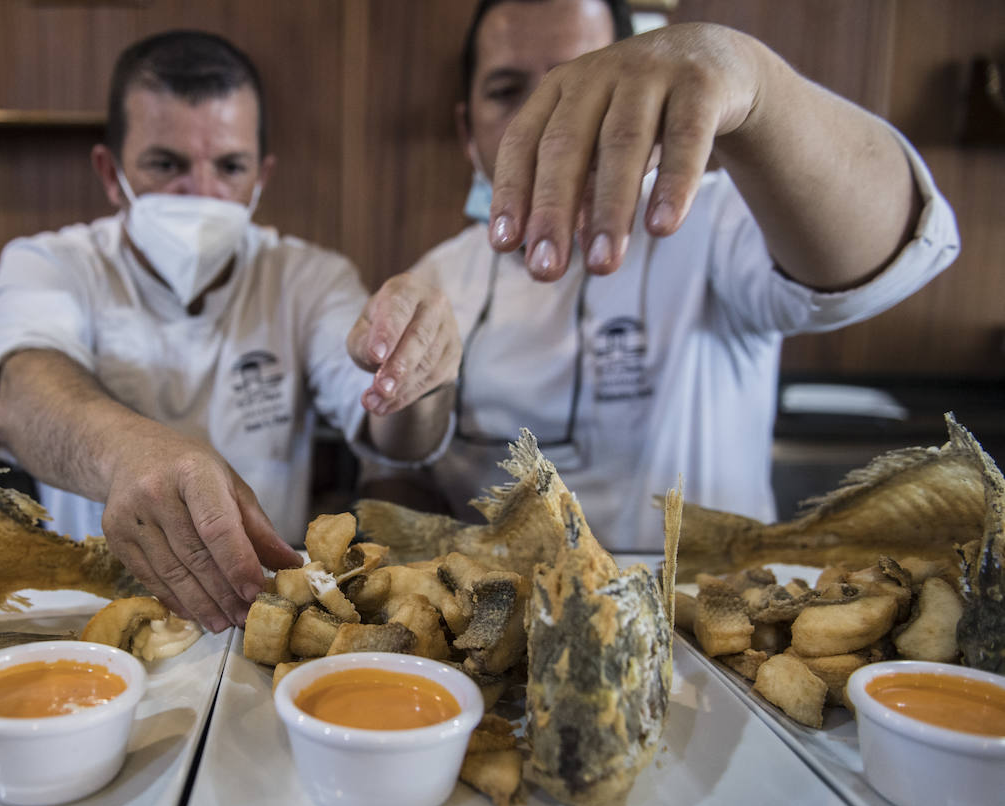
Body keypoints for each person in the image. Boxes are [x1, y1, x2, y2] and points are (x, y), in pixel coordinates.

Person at [377, 0, 959, 552]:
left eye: (577, 86)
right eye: (506, 93)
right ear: (465, 130)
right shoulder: (439, 276)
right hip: (501, 632)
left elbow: (890, 253)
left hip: (702, 631)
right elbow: (399, 469)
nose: (545, 121)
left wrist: (756, 87)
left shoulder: (709, 218)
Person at [0, 30, 460, 631]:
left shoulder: (306, 277)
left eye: (229, 167)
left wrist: (418, 374)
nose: (201, 193)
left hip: (265, 617)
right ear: (111, 173)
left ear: (261, 177)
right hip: (91, 618)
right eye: (166, 164)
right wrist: (127, 454)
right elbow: (16, 389)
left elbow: (393, 436)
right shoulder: (52, 264)